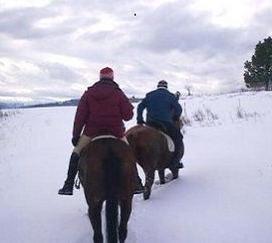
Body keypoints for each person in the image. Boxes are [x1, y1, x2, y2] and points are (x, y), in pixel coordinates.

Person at [58, 67, 144, 195]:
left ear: (100, 78)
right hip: (115, 132)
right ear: (112, 78)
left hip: (92, 132)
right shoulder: (118, 93)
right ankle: (136, 183)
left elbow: (80, 116)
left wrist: (76, 135)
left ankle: (68, 184)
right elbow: (127, 116)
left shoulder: (89, 94)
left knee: (76, 152)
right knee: (129, 153)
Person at [136, 80, 183, 168]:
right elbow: (178, 109)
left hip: (150, 123)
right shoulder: (170, 96)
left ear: (157, 86)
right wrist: (176, 117)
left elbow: (140, 107)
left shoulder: (150, 95)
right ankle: (175, 162)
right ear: (166, 87)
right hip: (165, 123)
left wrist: (140, 120)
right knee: (178, 137)